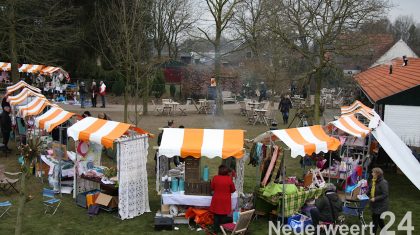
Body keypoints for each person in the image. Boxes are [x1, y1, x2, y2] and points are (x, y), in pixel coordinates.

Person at [210, 165, 236, 233]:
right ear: (227, 172)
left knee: (216, 215)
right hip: (225, 200)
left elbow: (212, 187)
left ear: (219, 171)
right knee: (223, 215)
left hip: (217, 199)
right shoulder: (229, 179)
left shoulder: (215, 178)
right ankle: (223, 227)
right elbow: (233, 190)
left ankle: (216, 230)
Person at [369, 167, 389, 234]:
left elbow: (385, 194)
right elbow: (369, 189)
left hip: (381, 205)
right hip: (375, 204)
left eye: (373, 172)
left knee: (375, 220)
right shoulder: (373, 181)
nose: (372, 173)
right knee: (380, 220)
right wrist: (363, 194)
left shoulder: (383, 182)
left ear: (377, 174)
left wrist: (375, 198)